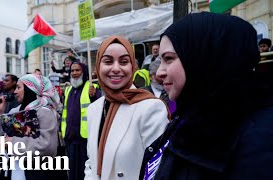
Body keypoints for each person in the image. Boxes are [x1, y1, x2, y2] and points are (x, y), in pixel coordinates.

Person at [146, 12, 273, 180]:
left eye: (169, 58)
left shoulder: (260, 140)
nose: (160, 72)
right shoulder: (189, 116)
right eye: (160, 60)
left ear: (205, 56)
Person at [84, 35, 169, 179]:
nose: (116, 68)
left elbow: (158, 169)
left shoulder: (151, 108)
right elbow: (91, 163)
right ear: (98, 66)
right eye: (108, 61)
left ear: (133, 67)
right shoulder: (94, 109)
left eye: (123, 62)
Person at [0, 74, 61, 180]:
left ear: (31, 89)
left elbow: (46, 147)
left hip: (37, 172)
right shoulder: (16, 111)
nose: (15, 91)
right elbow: (4, 136)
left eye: (19, 87)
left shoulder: (44, 112)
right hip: (15, 169)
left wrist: (13, 142)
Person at [61, 61, 101, 180]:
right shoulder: (68, 90)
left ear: (84, 72)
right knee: (72, 173)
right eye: (72, 70)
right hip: (70, 140)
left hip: (85, 140)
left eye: (77, 70)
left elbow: (99, 109)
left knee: (85, 174)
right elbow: (65, 112)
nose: (74, 73)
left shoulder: (92, 88)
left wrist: (93, 96)